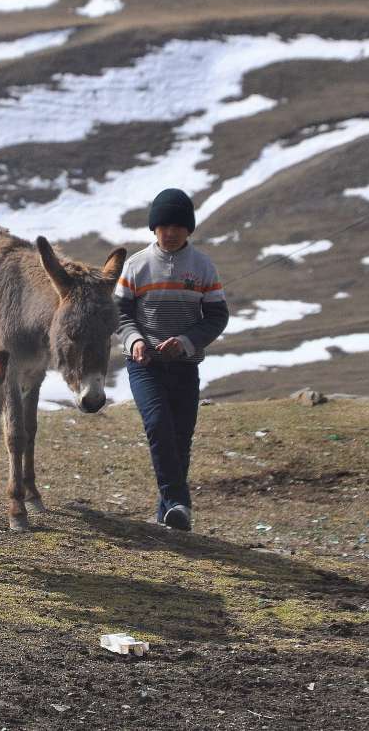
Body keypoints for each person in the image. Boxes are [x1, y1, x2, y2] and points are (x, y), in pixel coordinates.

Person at [114, 189, 229, 531]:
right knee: (158, 425)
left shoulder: (203, 267)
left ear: (189, 229)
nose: (171, 232)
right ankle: (179, 503)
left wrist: (185, 342)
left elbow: (217, 316)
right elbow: (119, 313)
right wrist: (134, 341)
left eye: (178, 225)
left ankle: (167, 512)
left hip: (185, 365)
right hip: (145, 364)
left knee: (180, 437)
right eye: (164, 225)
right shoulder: (136, 266)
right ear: (154, 228)